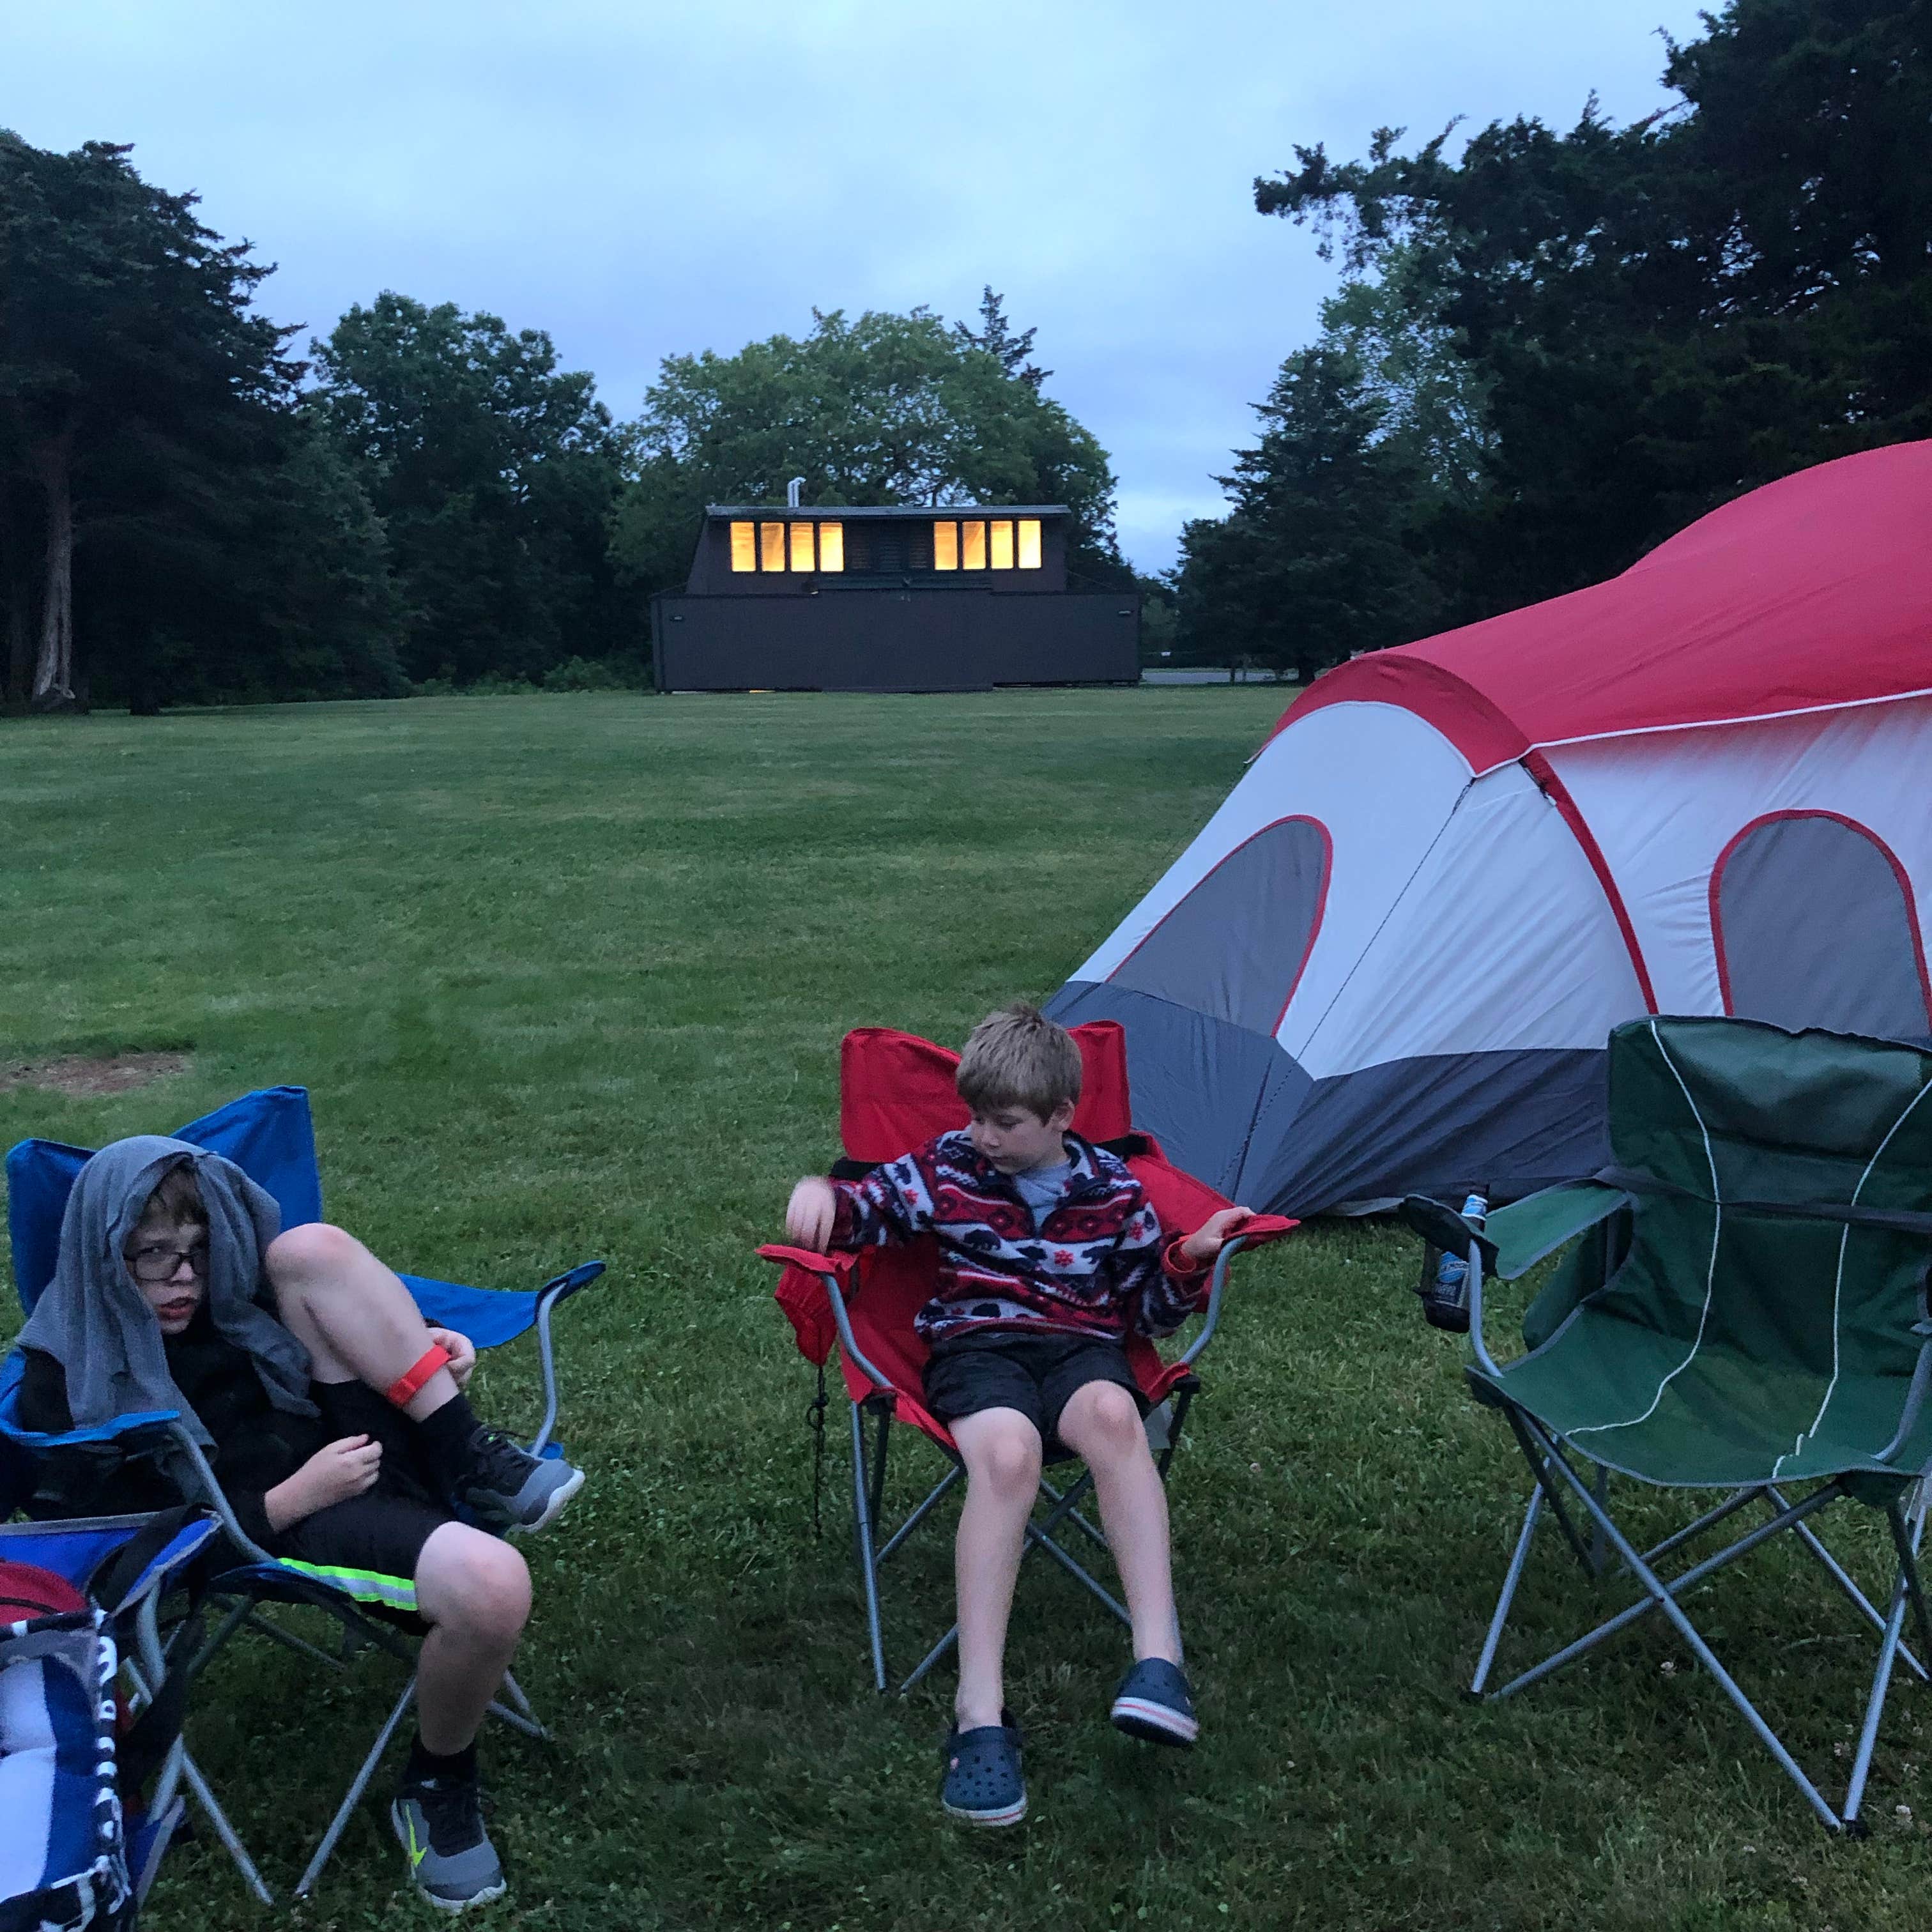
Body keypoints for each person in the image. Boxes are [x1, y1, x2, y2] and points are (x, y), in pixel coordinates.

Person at [16, 1135, 585, 1913]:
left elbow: (333, 1327)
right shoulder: (69, 1372)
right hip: (287, 1518)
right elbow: (120, 1551)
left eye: (199, 1250)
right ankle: (437, 1780)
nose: (184, 1277)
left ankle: (468, 1453)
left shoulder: (233, 1301)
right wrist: (290, 1502)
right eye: (153, 1255)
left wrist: (423, 1347)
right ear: (101, 1253)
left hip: (361, 1431)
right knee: (491, 1584)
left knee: (312, 1248)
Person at [785, 1002, 1252, 1827]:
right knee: (1007, 1459)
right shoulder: (950, 1166)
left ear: (1062, 1117)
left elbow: (1146, 1309)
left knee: (1115, 1416)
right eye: (976, 1117)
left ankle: (1157, 1662)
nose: (984, 1136)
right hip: (978, 1352)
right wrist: (821, 1195)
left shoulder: (1112, 1188)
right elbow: (871, 1205)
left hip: (1080, 1348)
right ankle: (980, 1714)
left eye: (1004, 1123)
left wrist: (1190, 1258)